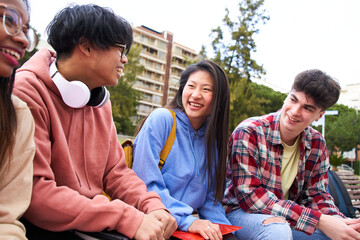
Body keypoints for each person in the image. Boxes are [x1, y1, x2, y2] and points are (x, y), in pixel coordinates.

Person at [13, 4, 177, 240]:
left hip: (91, 221)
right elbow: (35, 193)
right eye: (121, 49)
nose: (125, 60)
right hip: (43, 226)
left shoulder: (98, 100)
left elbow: (116, 172)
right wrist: (125, 217)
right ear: (86, 45)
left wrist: (152, 205)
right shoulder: (27, 91)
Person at [223, 69, 360, 240]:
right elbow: (249, 197)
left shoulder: (316, 142)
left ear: (319, 115)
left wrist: (340, 222)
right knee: (278, 231)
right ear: (287, 95)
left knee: (346, 235)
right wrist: (319, 221)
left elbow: (317, 195)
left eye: (307, 108)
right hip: (240, 214)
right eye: (293, 99)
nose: (295, 111)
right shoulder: (250, 132)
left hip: (289, 217)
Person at [132, 60, 232, 240]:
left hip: (182, 229)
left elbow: (210, 201)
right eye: (191, 86)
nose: (196, 94)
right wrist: (188, 221)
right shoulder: (162, 119)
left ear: (219, 99)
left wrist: (226, 231)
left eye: (206, 89)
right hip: (150, 222)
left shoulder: (214, 141)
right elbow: (144, 182)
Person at [0, 0, 37, 239]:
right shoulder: (32, 92)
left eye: (25, 30)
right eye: (9, 19)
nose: (23, 40)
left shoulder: (18, 114)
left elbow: (6, 221)